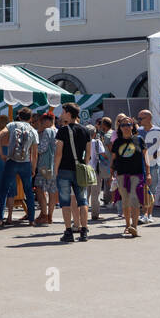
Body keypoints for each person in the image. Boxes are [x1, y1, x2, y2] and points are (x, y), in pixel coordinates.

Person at [54, 102, 91, 243]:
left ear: (69, 114)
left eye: (63, 112)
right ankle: (84, 231)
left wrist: (55, 169)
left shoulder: (63, 130)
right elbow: (88, 153)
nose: (61, 115)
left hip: (64, 169)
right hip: (80, 168)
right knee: (83, 201)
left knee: (65, 202)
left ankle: (68, 231)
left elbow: (59, 153)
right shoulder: (86, 130)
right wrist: (84, 165)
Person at [0, 107, 38, 227]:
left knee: (4, 191)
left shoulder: (12, 125)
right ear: (30, 118)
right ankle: (31, 219)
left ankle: (0, 218)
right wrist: (33, 168)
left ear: (19, 116)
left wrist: (1, 154)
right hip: (25, 163)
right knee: (28, 192)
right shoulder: (33, 131)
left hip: (11, 160)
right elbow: (34, 153)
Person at [111, 117, 149, 237]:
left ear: (132, 126)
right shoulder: (117, 142)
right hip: (122, 174)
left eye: (128, 124)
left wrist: (148, 173)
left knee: (135, 200)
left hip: (136, 174)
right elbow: (113, 159)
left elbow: (146, 157)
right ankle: (127, 225)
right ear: (120, 128)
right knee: (126, 201)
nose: (126, 127)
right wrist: (111, 174)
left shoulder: (139, 139)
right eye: (123, 125)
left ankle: (134, 226)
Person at [136, 109, 160, 224]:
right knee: (142, 189)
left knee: (151, 189)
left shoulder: (158, 130)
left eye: (141, 118)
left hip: (153, 164)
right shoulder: (138, 131)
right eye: (138, 118)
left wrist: (155, 155)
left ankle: (148, 214)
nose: (139, 120)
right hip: (139, 165)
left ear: (149, 118)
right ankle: (145, 214)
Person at [33, 111, 58, 226]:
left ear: (48, 121)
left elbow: (42, 148)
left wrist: (33, 147)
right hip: (55, 166)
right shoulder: (58, 131)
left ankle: (44, 214)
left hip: (45, 165)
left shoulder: (48, 131)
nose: (41, 123)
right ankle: (50, 216)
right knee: (52, 192)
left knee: (39, 189)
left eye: (42, 121)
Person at [90, 117, 112, 221]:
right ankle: (95, 214)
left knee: (84, 194)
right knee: (95, 194)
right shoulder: (97, 142)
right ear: (94, 134)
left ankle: (81, 213)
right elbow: (103, 155)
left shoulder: (81, 142)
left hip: (83, 170)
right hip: (95, 170)